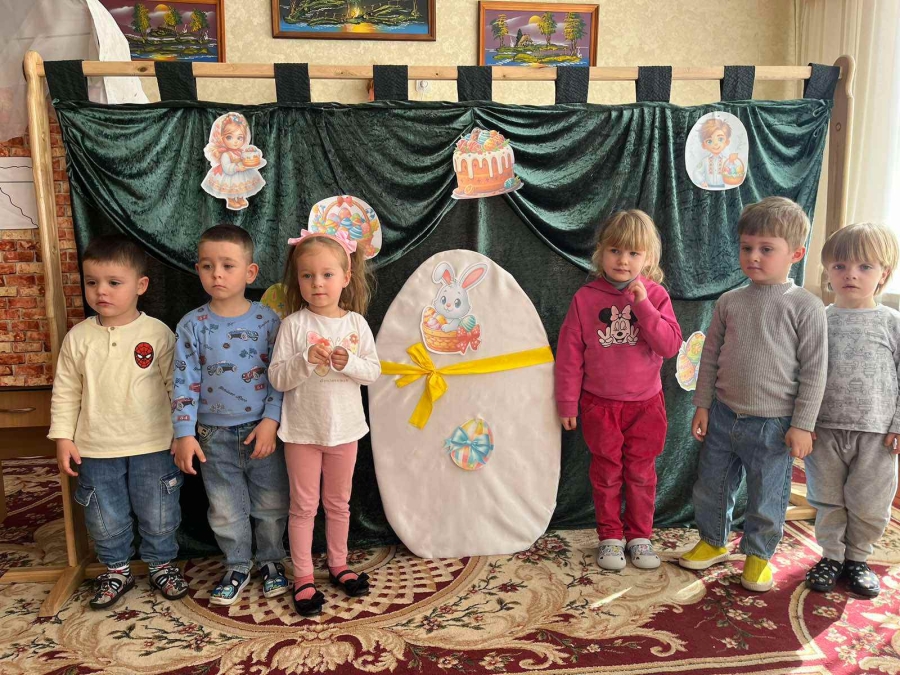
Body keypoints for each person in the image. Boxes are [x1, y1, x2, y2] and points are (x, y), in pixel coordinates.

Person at [680, 197, 828, 593]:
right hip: (723, 415)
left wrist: (803, 425)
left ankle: (759, 556)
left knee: (767, 494)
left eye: (766, 249)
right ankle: (712, 541)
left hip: (774, 424)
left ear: (795, 254)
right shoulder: (730, 301)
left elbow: (815, 371)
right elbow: (710, 356)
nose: (754, 256)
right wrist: (703, 404)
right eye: (747, 247)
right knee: (711, 485)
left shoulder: (806, 307)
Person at [49, 234, 188, 609]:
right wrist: (63, 437)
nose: (101, 291)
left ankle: (162, 564)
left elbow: (177, 386)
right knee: (103, 515)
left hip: (153, 444)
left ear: (140, 285)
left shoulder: (157, 333)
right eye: (92, 282)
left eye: (113, 282)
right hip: (96, 447)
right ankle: (116, 569)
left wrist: (182, 432)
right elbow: (66, 391)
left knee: (159, 511)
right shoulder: (78, 338)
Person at [556, 209, 682, 571]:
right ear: (601, 252)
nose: (623, 260)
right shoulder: (585, 298)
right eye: (615, 250)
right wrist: (567, 402)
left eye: (633, 253)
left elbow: (669, 345)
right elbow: (569, 355)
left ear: (648, 258)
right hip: (599, 405)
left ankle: (640, 536)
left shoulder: (655, 295)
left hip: (646, 405)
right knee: (606, 473)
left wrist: (642, 305)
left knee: (641, 474)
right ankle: (610, 537)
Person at [172, 224, 289, 606]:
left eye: (227, 265)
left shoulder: (269, 321)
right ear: (198, 270)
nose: (217, 274)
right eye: (207, 266)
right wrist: (184, 433)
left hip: (262, 432)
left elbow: (279, 377)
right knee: (224, 509)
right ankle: (237, 565)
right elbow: (184, 381)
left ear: (250, 272)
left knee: (271, 504)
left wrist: (271, 420)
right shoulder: (192, 325)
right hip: (212, 436)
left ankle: (271, 561)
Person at [269, 226, 380, 616]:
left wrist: (348, 362)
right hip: (301, 432)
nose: (317, 283)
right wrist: (304, 360)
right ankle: (303, 576)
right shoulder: (293, 325)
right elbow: (277, 378)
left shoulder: (356, 325)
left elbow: (373, 372)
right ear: (298, 281)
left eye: (327, 274)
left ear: (346, 278)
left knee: (338, 504)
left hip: (345, 431)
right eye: (308, 275)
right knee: (303, 507)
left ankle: (339, 564)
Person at [805, 223, 900, 598]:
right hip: (824, 428)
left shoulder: (891, 322)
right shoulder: (818, 319)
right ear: (828, 271)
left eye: (864, 267)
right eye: (840, 266)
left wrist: (898, 424)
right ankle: (831, 557)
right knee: (827, 497)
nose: (851, 275)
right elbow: (802, 371)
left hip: (877, 434)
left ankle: (858, 559)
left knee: (870, 502)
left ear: (883, 274)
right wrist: (803, 421)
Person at [200, 112, 266, 211]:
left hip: (242, 172)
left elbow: (249, 157)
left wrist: (252, 152)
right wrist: (236, 168)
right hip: (229, 174)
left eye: (239, 138)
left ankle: (240, 197)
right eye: (229, 137)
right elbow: (226, 167)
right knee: (231, 188)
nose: (235, 141)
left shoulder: (241, 151)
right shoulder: (225, 155)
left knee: (241, 187)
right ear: (222, 138)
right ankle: (231, 199)